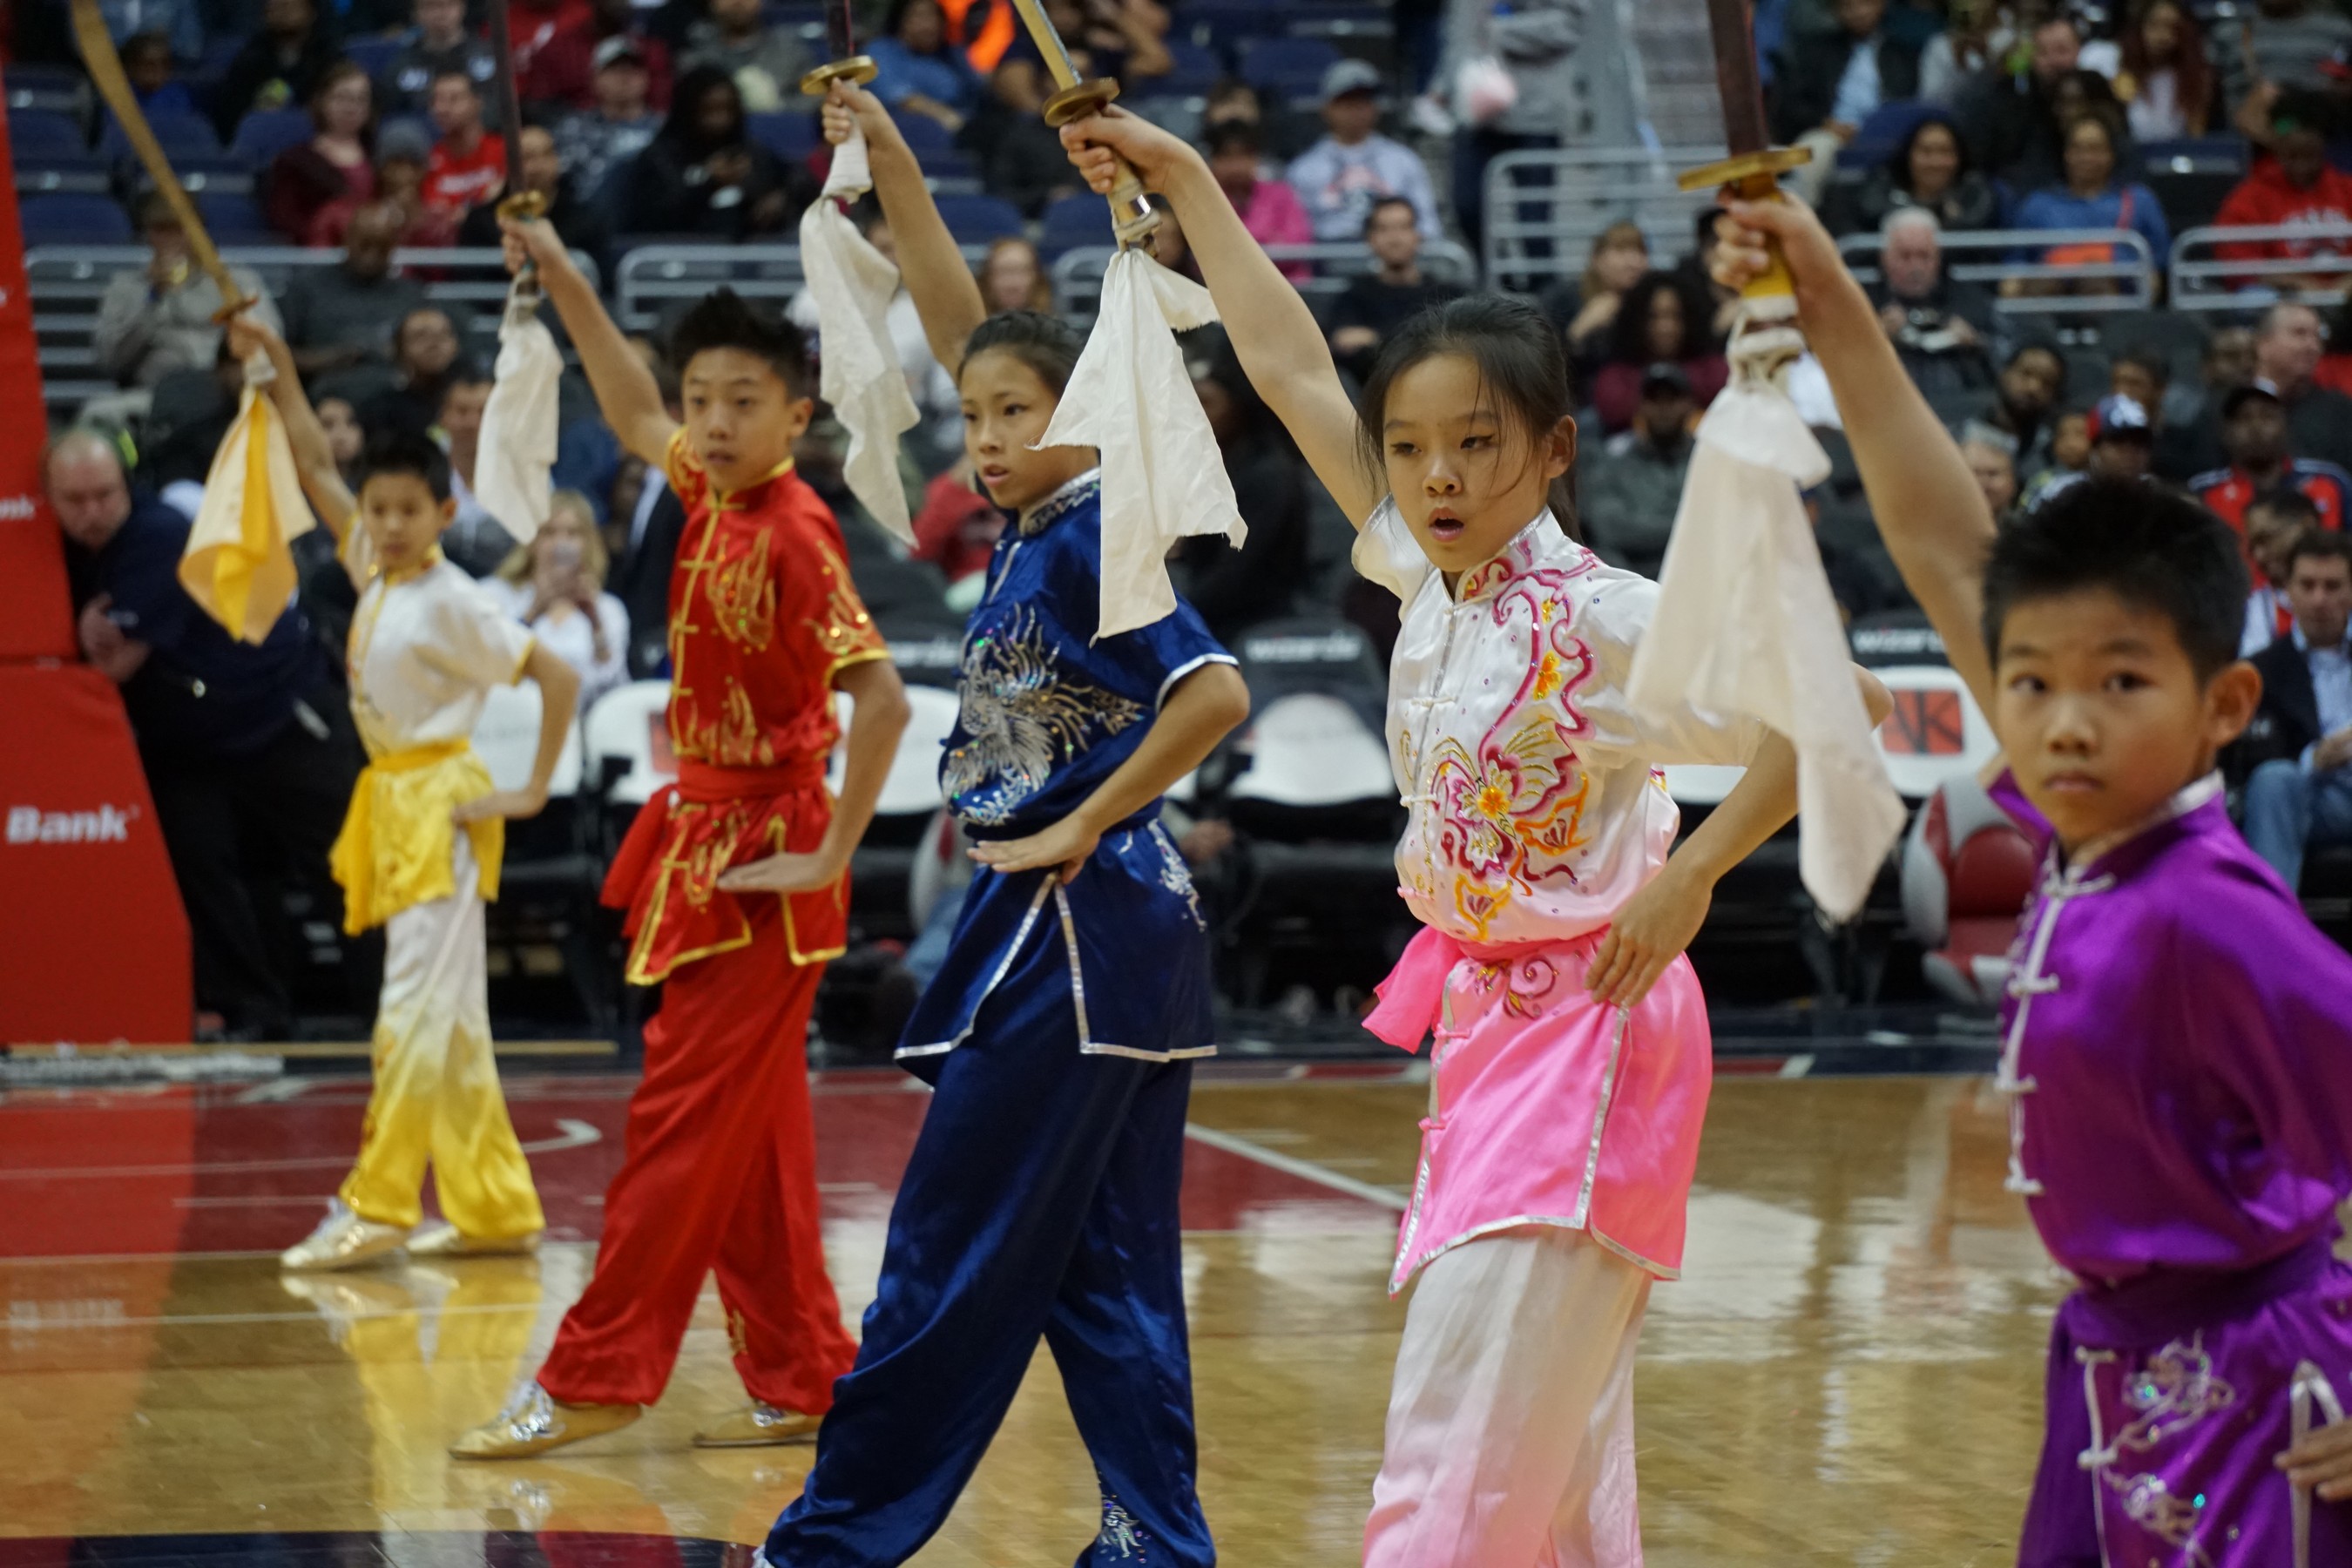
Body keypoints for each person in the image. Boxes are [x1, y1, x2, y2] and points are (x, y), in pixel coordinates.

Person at [1063, 103, 1888, 1568]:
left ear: (1555, 449)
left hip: (1597, 1026)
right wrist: (1181, 176)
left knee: (1454, 1451)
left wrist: (1693, 875)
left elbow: (1838, 716)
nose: (1435, 476)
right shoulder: (1426, 579)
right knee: (1553, 1478)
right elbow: (1289, 364)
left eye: (1474, 445)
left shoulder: (1606, 617)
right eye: (1408, 448)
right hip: (1490, 1031)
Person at [1714, 186, 2352, 1568]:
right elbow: (1945, 545)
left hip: (2258, 1391)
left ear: (2226, 706)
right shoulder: (2091, 841)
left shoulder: (2218, 912)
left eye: (2121, 683)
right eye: (2034, 684)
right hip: (2104, 1365)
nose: (2064, 723)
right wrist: (1825, 290)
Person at [751, 83, 1252, 1565]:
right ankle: (1156, 1546)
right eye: (971, 419)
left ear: (1082, 416)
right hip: (1125, 940)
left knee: (945, 1254)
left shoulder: (1096, 529)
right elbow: (967, 322)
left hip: (1076, 927)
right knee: (1106, 1276)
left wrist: (1074, 820)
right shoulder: (1041, 522)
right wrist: (893, 156)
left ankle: (830, 1543)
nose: (982, 438)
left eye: (1013, 416)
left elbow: (1216, 694)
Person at [449, 210, 911, 1456]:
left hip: (765, 855)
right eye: (700, 399)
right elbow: (621, 396)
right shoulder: (708, 488)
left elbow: (881, 699)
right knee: (749, 1140)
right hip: (704, 834)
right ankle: (805, 1374)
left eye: (740, 402)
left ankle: (597, 1373)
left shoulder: (798, 532)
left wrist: (832, 852)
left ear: (796, 416)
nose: (708, 422)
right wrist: (563, 273)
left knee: (677, 1122)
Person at [216, 315, 575, 1270]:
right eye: (376, 509)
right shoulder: (372, 567)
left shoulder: (457, 600)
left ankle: (377, 1205)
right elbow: (309, 456)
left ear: (443, 513)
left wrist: (531, 791)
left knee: (409, 1014)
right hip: (393, 802)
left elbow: (558, 676)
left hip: (441, 808)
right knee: (448, 1023)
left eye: (408, 511)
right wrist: (278, 360)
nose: (387, 524)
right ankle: (495, 1209)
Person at [49, 429, 360, 1043]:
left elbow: (115, 664)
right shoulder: (57, 549)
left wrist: (83, 634)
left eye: (105, 495)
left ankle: (390, 1005)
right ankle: (256, 1012)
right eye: (75, 500)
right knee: (206, 875)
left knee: (343, 865)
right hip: (190, 743)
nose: (92, 513)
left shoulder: (157, 534)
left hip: (279, 714)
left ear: (127, 485)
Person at [1179, 328, 1310, 641]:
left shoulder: (1270, 475)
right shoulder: (1208, 467)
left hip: (1260, 627)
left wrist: (1172, 617)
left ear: (1238, 408)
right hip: (1213, 618)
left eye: (1206, 403)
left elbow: (1236, 576)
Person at [2239, 530, 2352, 894]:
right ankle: (2268, 922)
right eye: (2308, 585)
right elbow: (2249, 760)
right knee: (2274, 779)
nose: (2319, 599)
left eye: (2332, 586)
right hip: (2308, 797)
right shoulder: (2262, 670)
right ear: (2287, 590)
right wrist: (2315, 759)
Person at [92, 195, 280, 393]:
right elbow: (109, 359)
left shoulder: (237, 279)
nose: (171, 239)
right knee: (100, 409)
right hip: (152, 395)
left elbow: (271, 341)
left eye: (180, 228)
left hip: (226, 392)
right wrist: (154, 296)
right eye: (161, 229)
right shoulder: (127, 286)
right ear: (147, 234)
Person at [482, 490, 631, 711]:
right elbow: (486, 669)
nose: (561, 543)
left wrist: (595, 624)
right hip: (510, 721)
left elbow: (614, 697)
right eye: (549, 532)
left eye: (572, 533)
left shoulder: (609, 609)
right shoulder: (494, 594)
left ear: (588, 543)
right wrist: (533, 612)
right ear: (531, 541)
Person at [619, 67, 804, 240]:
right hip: (679, 253)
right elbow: (654, 218)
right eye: (709, 111)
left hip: (748, 255)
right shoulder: (660, 158)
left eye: (728, 110)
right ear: (688, 112)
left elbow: (799, 182)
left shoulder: (752, 152)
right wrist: (708, 182)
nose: (720, 121)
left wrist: (781, 199)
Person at [1767, 0, 1923, 201]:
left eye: (1864, 4)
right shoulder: (1814, 50)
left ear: (1881, 5)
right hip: (1831, 134)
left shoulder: (1903, 53)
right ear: (1835, 12)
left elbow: (1911, 104)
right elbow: (1791, 104)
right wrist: (1823, 123)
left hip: (1889, 135)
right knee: (1814, 149)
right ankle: (1797, 212)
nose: (1858, 12)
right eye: (1847, 6)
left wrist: (1880, 128)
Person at [1287, 59, 1443, 245]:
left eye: (1365, 101)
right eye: (1348, 101)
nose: (1357, 110)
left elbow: (1428, 226)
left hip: (1391, 256)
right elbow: (1295, 235)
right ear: (1327, 108)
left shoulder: (1403, 160)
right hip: (1327, 256)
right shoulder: (1305, 169)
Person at [280, 204, 429, 384]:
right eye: (365, 245)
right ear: (347, 240)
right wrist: (329, 359)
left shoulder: (411, 295)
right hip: (325, 388)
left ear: (393, 247)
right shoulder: (306, 288)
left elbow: (432, 354)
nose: (371, 255)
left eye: (381, 246)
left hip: (396, 390)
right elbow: (278, 353)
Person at [2215, 96, 2352, 291]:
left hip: (2345, 294)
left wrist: (2346, 284)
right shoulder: (2250, 196)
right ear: (2279, 151)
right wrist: (2294, 283)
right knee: (2254, 296)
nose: (2301, 167)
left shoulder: (2346, 189)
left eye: (2310, 156)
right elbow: (2237, 258)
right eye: (2292, 156)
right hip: (2282, 294)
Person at [2193, 379, 2352, 545]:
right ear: (2226, 432)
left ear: (2285, 425)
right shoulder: (2203, 493)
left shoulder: (2331, 481)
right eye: (2243, 418)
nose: (2256, 427)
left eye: (2267, 416)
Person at [2011, 111, 2171, 273]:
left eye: (2095, 149)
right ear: (2066, 154)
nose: (2086, 157)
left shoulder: (2140, 201)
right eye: (2077, 149)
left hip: (2118, 284)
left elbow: (2159, 262)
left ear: (2111, 154)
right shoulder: (2038, 205)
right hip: (2052, 285)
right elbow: (2015, 266)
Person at [1329, 196, 1470, 382]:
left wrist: (1374, 338)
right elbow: (1344, 347)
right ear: (1370, 238)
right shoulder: (1353, 297)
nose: (1394, 239)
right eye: (1384, 229)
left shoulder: (1448, 295)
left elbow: (1459, 349)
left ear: (1418, 235)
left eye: (1403, 227)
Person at [1579, 361, 1696, 578]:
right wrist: (1689, 527)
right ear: (1640, 405)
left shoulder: (1707, 461)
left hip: (1700, 570)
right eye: (1654, 399)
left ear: (1689, 404)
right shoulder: (1614, 463)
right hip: (1635, 577)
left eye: (1672, 399)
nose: (1664, 408)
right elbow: (1609, 529)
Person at [1869, 208, 1999, 395]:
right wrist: (1872, 336)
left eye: (1924, 256)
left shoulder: (1971, 302)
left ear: (1939, 257)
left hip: (1958, 402)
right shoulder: (1863, 305)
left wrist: (1975, 343)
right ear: (1884, 258)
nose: (1916, 267)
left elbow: (2004, 359)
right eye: (1905, 256)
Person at [1955, 12, 2085, 191]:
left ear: (2079, 51)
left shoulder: (2095, 96)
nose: (2053, 61)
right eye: (2043, 52)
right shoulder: (2005, 100)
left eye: (2062, 51)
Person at [1589, 270, 1727, 436]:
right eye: (1654, 317)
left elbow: (1725, 396)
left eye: (1675, 316)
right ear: (1638, 320)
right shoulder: (1618, 373)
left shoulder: (1711, 366)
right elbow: (1612, 407)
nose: (1665, 327)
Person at [456, 120, 612, 266]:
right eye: (526, 158)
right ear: (508, 165)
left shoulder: (586, 220)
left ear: (556, 160)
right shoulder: (481, 222)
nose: (536, 167)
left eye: (545, 155)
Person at [1837, 113, 2000, 237]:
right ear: (1908, 155)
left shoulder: (1975, 196)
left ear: (1960, 157)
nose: (1935, 162)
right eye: (1926, 151)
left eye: (1945, 151)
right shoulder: (1879, 191)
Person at [267, 62, 376, 247]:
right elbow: (285, 217)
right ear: (322, 102)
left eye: (360, 99)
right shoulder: (296, 161)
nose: (351, 107)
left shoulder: (380, 155)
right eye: (342, 98)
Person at [555, 37, 664, 205]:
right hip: (588, 215)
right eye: (615, 71)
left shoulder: (663, 129)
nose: (625, 78)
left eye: (633, 70)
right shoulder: (573, 130)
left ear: (646, 78)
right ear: (595, 79)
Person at [1538, 220, 1648, 384]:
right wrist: (1581, 329)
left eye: (1640, 252)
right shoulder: (1563, 298)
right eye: (1622, 250)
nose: (1634, 261)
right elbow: (1544, 365)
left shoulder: (1650, 303)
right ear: (1597, 258)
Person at [211, 0, 339, 142]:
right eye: (276, 6)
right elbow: (230, 114)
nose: (283, 11)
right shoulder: (248, 60)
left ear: (311, 12)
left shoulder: (329, 59)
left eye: (289, 5)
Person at [436, 371, 522, 577]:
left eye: (484, 412)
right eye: (462, 411)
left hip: (506, 583)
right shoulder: (420, 470)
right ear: (443, 417)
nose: (472, 423)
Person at [524, 0, 674, 112]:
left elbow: (663, 103)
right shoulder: (558, 49)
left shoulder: (651, 50)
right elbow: (540, 106)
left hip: (646, 133)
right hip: (574, 135)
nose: (623, 77)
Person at [1203, 120, 1311, 278]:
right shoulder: (1204, 199)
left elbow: (1298, 246)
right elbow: (1208, 255)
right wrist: (1268, 240)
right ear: (1212, 160)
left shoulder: (1282, 194)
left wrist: (1239, 247)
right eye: (1227, 157)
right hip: (1226, 283)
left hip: (1288, 282)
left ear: (1256, 158)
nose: (1236, 167)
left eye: (1244, 156)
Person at [2256, 298, 2352, 465]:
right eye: (2299, 333)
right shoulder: (2227, 406)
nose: (2312, 346)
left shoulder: (2339, 410)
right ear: (2263, 344)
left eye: (2317, 337)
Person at [868, 0, 982, 132]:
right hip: (906, 131)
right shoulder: (882, 50)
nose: (930, 25)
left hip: (968, 127)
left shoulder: (953, 56)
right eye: (920, 16)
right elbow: (899, 97)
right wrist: (949, 119)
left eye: (935, 17)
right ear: (901, 19)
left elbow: (978, 92)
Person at [679, 0, 810, 114]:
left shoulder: (791, 51)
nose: (738, 2)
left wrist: (777, 107)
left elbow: (811, 98)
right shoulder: (696, 56)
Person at [361, 305, 469, 443]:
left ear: (456, 345)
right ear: (399, 349)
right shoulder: (381, 411)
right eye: (421, 336)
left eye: (442, 335)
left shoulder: (480, 403)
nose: (434, 344)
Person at [379, 0, 499, 118]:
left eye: (448, 5)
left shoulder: (489, 54)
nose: (440, 13)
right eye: (430, 6)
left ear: (462, 8)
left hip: (482, 125)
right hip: (422, 127)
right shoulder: (402, 63)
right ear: (415, 13)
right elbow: (391, 111)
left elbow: (498, 103)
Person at [2242, 486, 2328, 652]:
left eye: (2267, 539)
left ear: (2307, 525)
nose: (2259, 556)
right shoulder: (2255, 609)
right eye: (2253, 546)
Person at [2116, 0, 2213, 140]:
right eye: (2154, 25)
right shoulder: (2121, 71)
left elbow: (2196, 136)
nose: (2162, 35)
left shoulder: (2196, 78)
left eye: (2172, 28)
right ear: (2140, 28)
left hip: (2177, 150)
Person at [420, 71, 506, 222]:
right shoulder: (428, 162)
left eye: (454, 99)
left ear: (477, 102)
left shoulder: (503, 151)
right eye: (437, 100)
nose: (442, 109)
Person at [976, 234, 1052, 314]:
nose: (1012, 285)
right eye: (1004, 272)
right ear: (987, 278)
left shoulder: (1053, 320)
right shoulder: (973, 321)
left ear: (1037, 278)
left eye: (1021, 272)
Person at [1959, 431, 2019, 518]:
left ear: (2012, 483)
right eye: (1975, 472)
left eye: (1993, 474)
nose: (1983, 482)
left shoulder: (2024, 526)